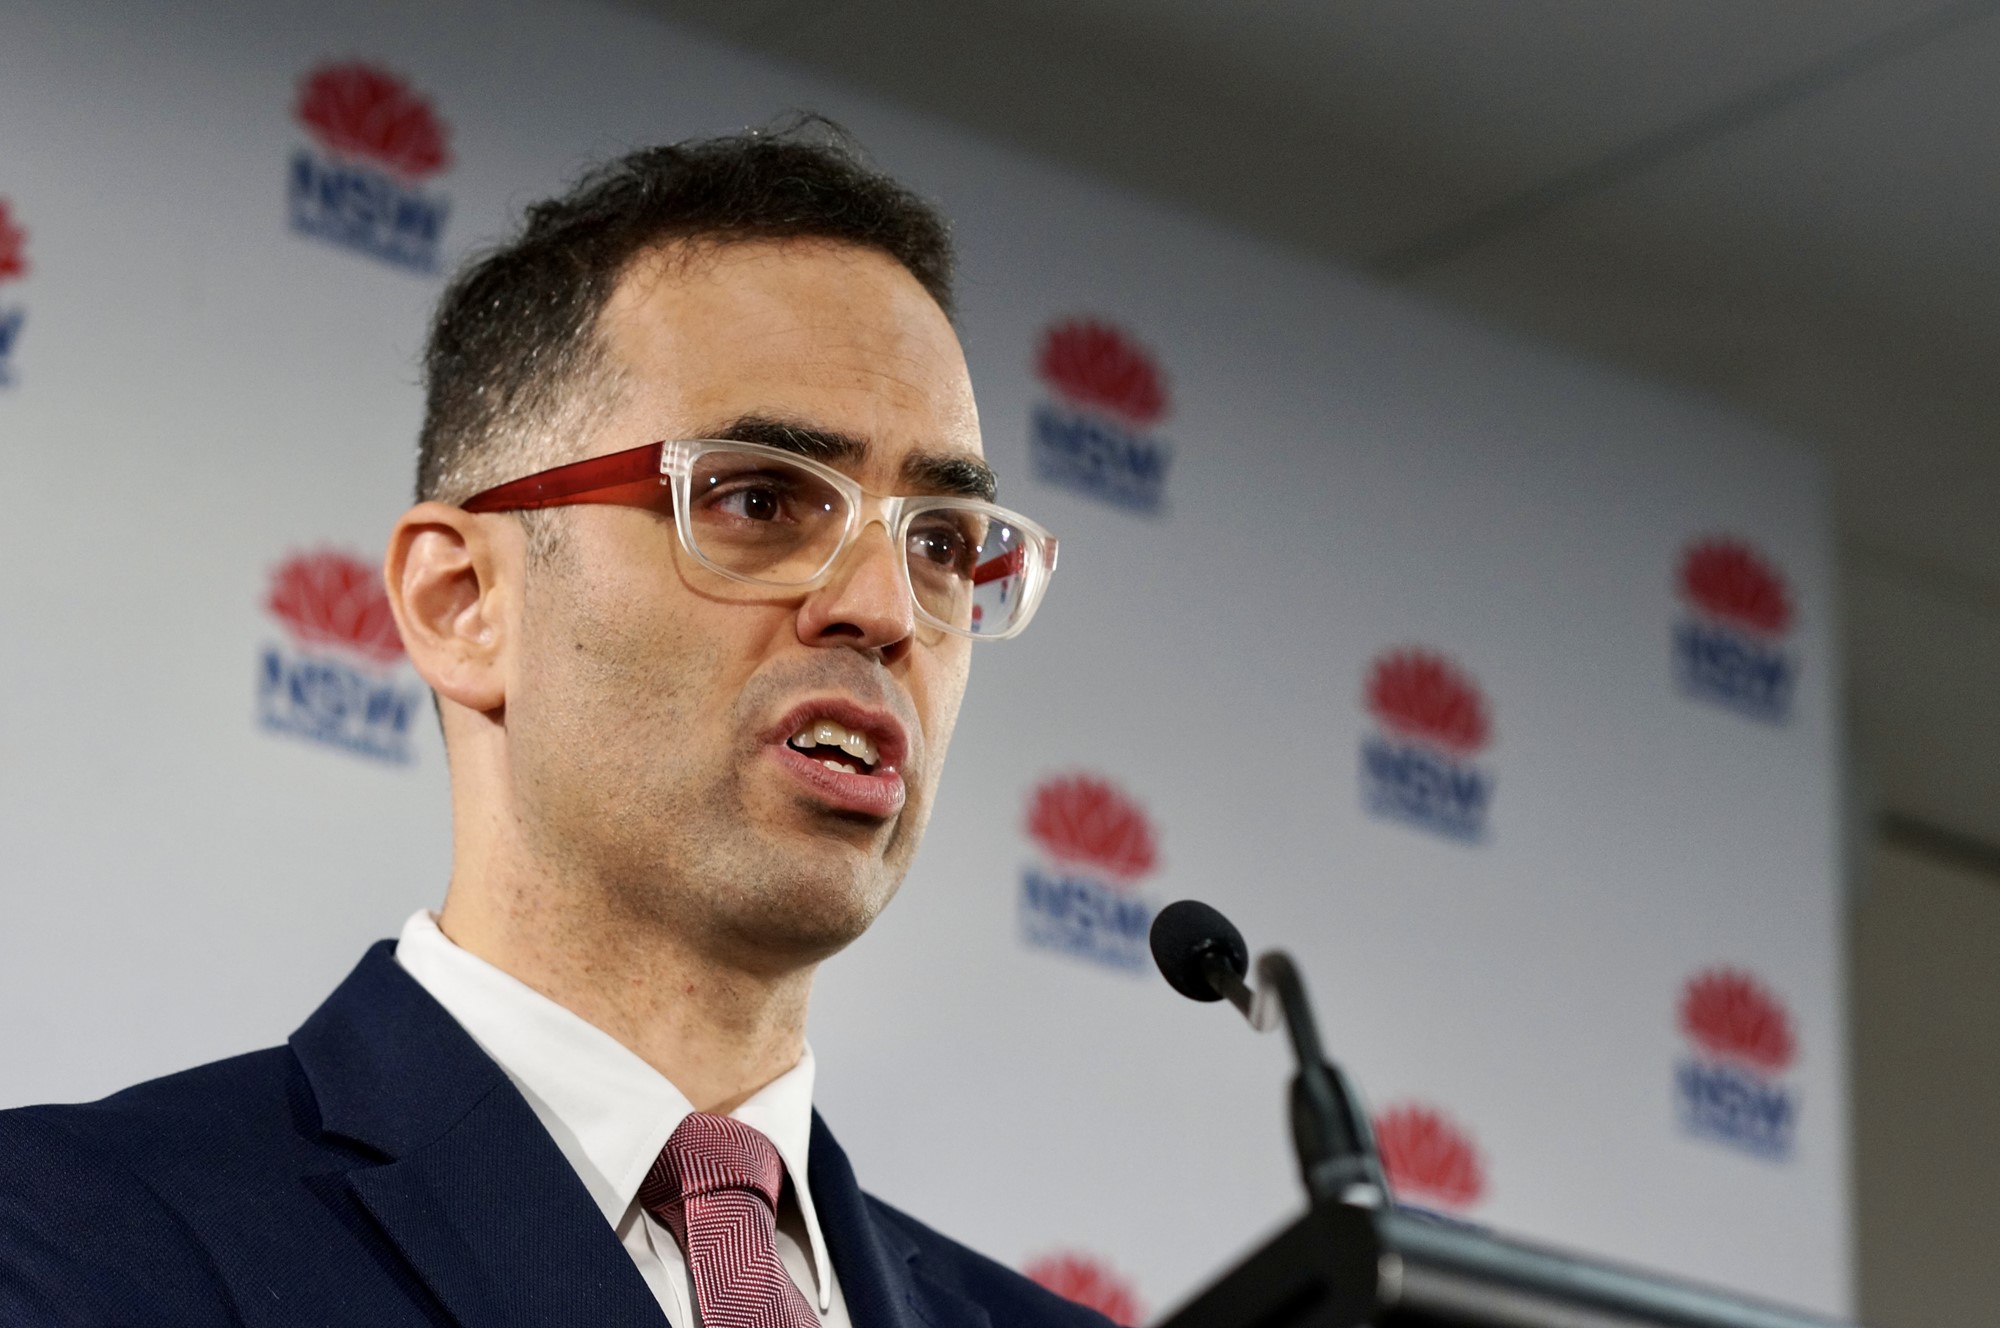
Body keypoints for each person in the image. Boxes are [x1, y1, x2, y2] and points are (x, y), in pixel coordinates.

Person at [0, 123, 1102, 1327]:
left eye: (940, 542)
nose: (884, 607)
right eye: (756, 499)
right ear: (462, 601)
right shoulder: (74, 1239)